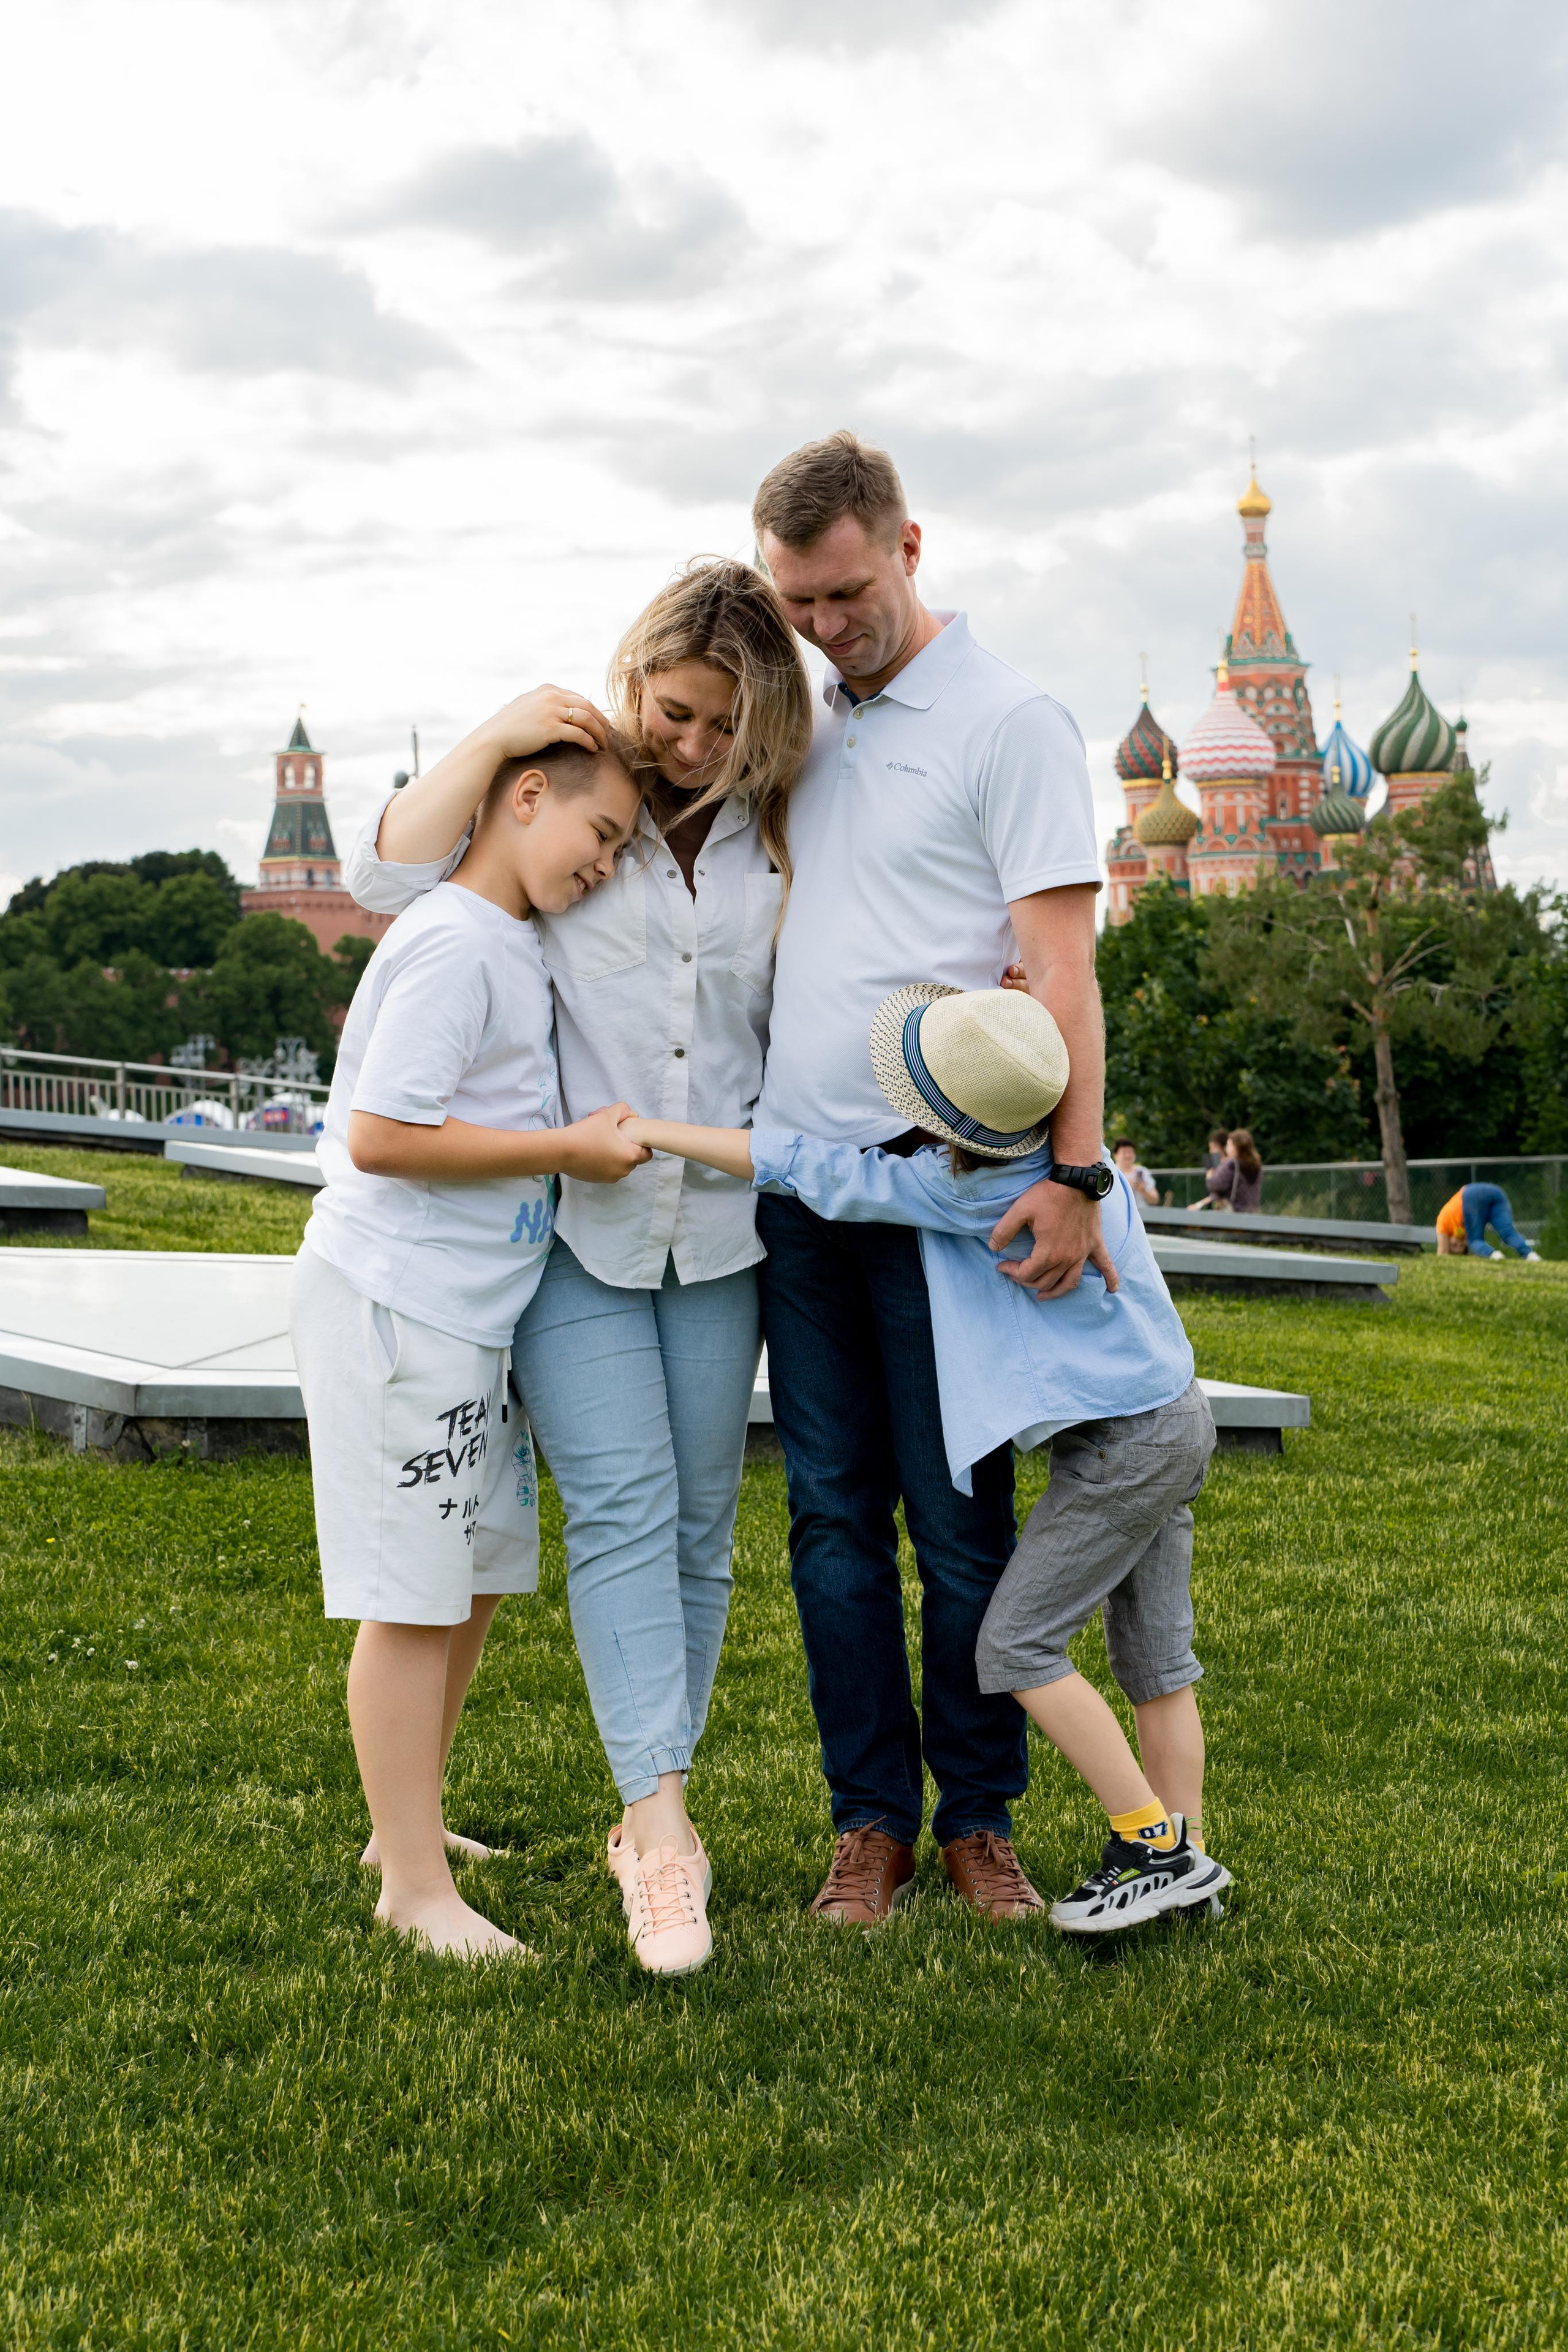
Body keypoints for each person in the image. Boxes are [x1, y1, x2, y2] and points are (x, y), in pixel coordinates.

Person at [344, 561, 813, 1976]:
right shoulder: (573, 793)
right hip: (579, 1237)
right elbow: (384, 871)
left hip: (717, 1234)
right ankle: (658, 1831)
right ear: (634, 684)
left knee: (695, 1526)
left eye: (723, 726)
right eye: (672, 710)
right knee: (615, 1506)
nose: (688, 744)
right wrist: (492, 733)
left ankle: (645, 1814)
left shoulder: (779, 836)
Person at [616, 980, 1231, 1932]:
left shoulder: (963, 1191)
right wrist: (1019, 1023)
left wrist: (656, 1131)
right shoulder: (1081, 1167)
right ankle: (1188, 1860)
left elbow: (799, 1163)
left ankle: (1146, 1845)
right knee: (1159, 1666)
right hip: (1175, 1418)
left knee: (1017, 1644)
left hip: (1118, 1452)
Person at [749, 431, 1109, 1923]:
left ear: (907, 545)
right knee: (830, 1517)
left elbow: (1068, 968)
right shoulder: (799, 716)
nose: (825, 628)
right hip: (797, 1187)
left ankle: (978, 1819)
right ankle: (866, 1824)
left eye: (842, 593)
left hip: (947, 1186)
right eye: (797, 604)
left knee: (961, 1521)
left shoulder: (1009, 719)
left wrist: (1075, 1170)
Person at [290, 735, 649, 1959]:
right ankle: (410, 1893)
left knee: (476, 1579)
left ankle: (410, 1826)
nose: (603, 868)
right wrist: (564, 1148)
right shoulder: (452, 941)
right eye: (597, 838)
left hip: (467, 1316)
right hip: (401, 1305)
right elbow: (382, 1136)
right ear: (525, 798)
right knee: (410, 1596)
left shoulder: (503, 938)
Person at [1435, 1182, 1541, 1261]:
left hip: (1470, 1195)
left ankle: (1494, 1256)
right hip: (1496, 1192)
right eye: (1462, 1247)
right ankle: (1531, 1255)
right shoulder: (1463, 1229)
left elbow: (1442, 1254)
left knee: (1474, 1240)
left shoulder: (1442, 1223)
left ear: (1448, 1240)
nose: (1459, 1244)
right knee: (1508, 1233)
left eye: (1454, 1245)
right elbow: (1474, 1254)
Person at [1201, 1127, 1263, 1214]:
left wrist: (1209, 1177)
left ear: (1235, 1147)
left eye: (1229, 1145)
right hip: (1252, 1211)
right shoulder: (1256, 1164)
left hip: (1235, 1211)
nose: (1227, 1148)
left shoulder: (1231, 1163)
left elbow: (1216, 1186)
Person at [1112, 1138, 1158, 1208]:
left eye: (1130, 1152)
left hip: (1144, 1215)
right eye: (1124, 1152)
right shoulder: (1111, 1172)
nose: (1128, 1155)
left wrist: (1143, 1190)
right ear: (1116, 1155)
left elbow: (1155, 1200)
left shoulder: (1143, 1172)